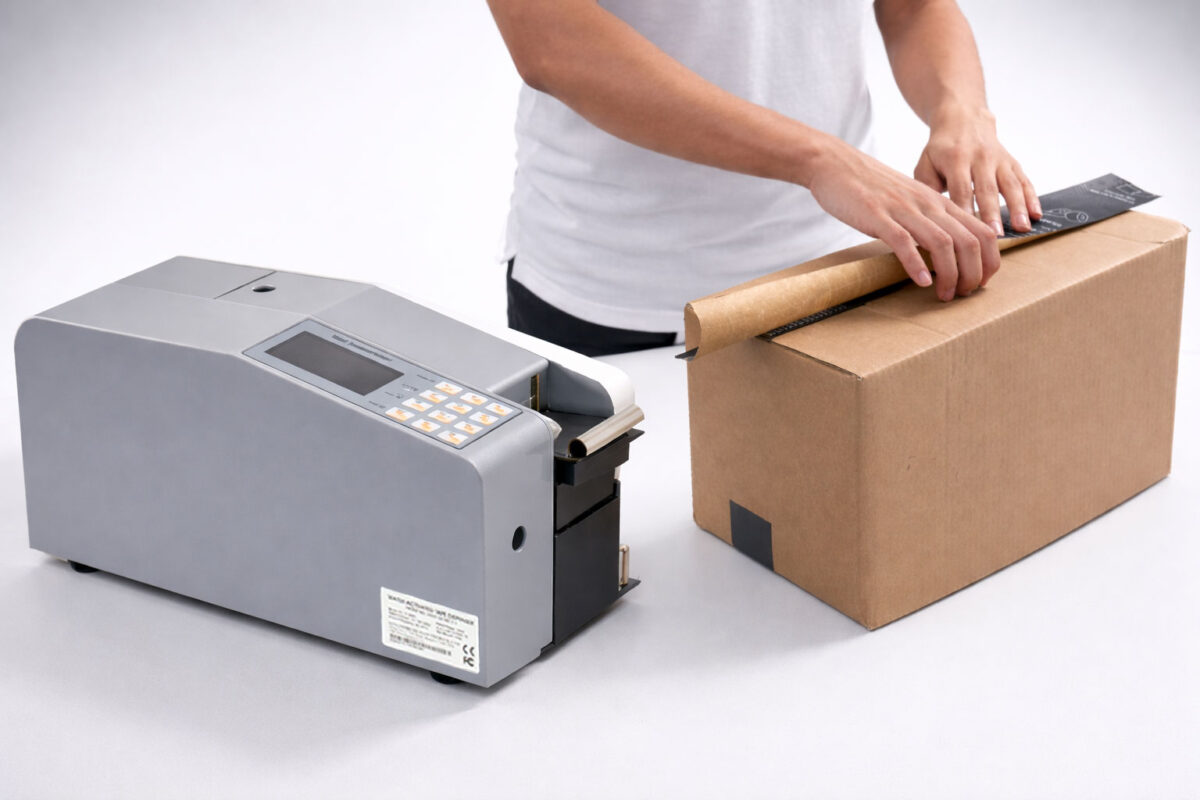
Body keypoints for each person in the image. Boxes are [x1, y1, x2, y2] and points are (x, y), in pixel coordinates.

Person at [488, 0, 1040, 356]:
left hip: (830, 273)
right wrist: (819, 159)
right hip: (611, 293)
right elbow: (550, 42)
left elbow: (913, 7)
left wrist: (961, 109)